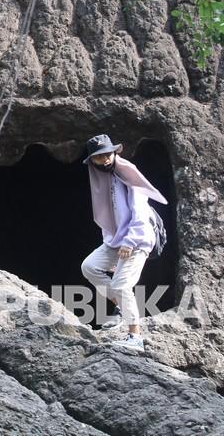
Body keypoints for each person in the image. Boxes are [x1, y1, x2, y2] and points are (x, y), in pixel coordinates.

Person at [80, 134, 168, 351]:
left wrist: (129, 241)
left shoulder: (126, 172)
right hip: (116, 240)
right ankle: (120, 306)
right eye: (99, 158)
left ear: (114, 152)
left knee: (121, 284)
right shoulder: (102, 178)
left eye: (107, 155)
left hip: (136, 239)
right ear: (92, 161)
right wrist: (113, 243)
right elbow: (108, 215)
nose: (105, 160)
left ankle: (135, 337)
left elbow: (139, 212)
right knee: (90, 267)